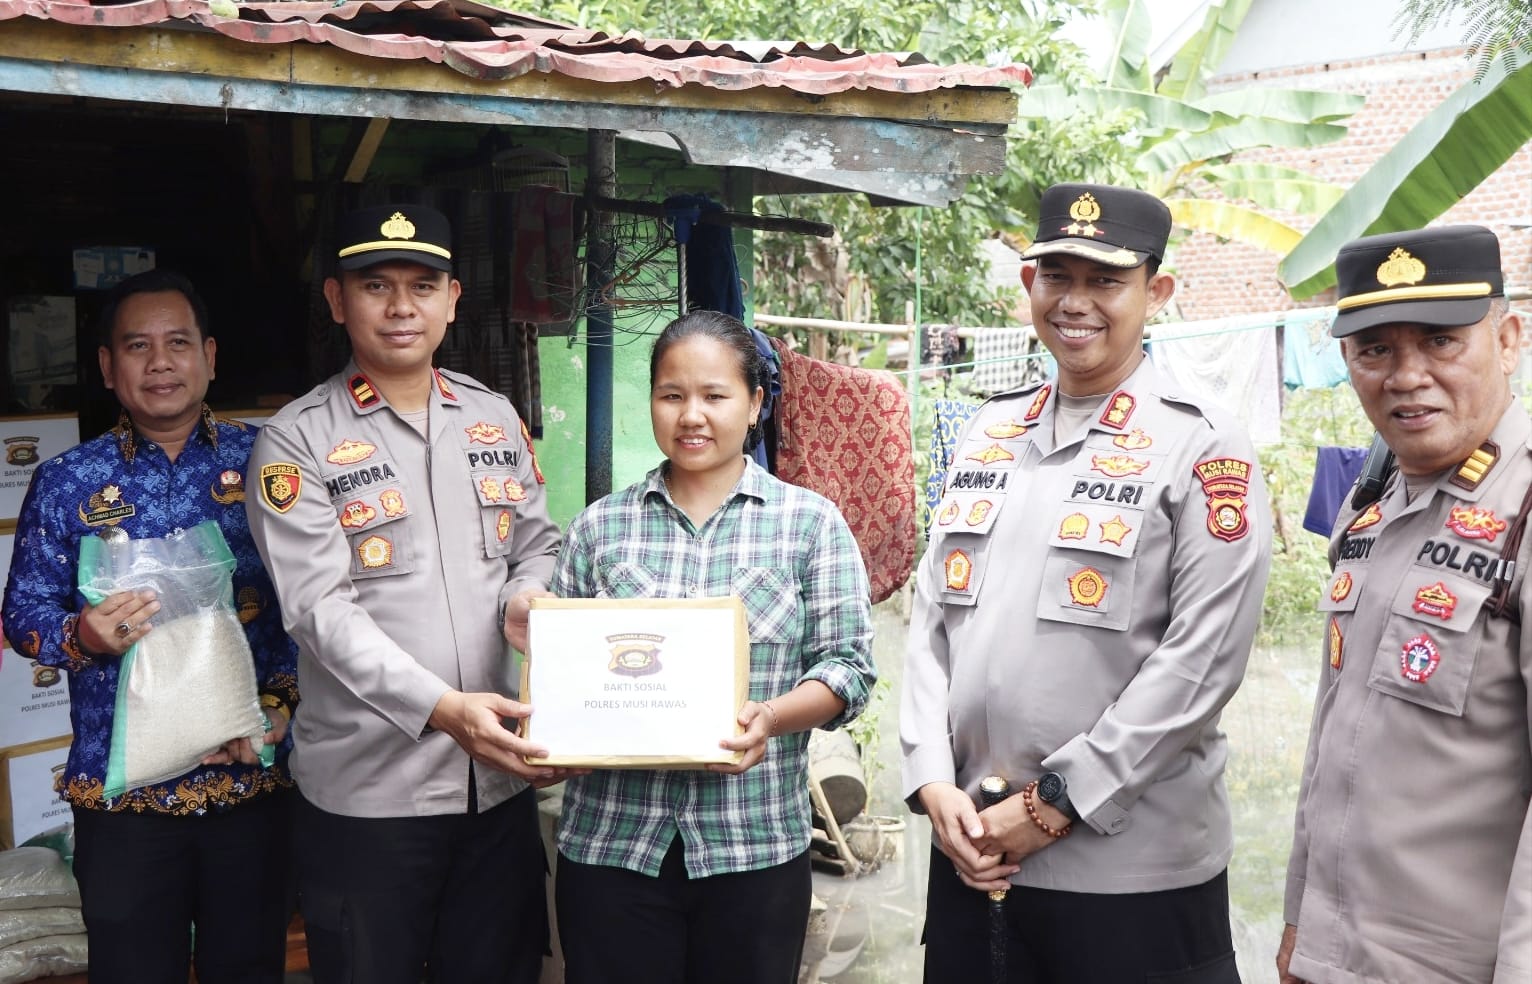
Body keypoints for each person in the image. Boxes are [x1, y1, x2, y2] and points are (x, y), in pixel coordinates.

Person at [901, 182, 1272, 982]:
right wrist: (932, 780)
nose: (1077, 302)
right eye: (1057, 276)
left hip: (1128, 873)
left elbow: (1201, 662)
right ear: (1030, 284)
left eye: (1105, 280)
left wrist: (1054, 806)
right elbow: (932, 621)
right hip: (973, 848)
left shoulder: (1202, 445)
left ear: (1156, 291)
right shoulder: (987, 433)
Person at [244, 203, 564, 984]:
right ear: (335, 300)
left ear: (453, 299)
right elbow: (319, 611)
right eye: (375, 285)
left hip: (497, 788)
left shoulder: (494, 418)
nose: (399, 307)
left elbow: (537, 544)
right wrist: (444, 708)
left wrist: (528, 596)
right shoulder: (296, 440)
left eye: (422, 286)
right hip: (368, 801)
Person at [549, 310, 877, 984]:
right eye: (672, 395)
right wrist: (559, 737)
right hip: (612, 847)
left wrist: (771, 717)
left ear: (755, 404)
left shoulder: (809, 525)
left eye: (714, 395)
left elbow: (848, 669)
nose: (691, 415)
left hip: (751, 848)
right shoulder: (599, 530)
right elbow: (563, 673)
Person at [2, 268, 298, 984]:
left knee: (249, 966)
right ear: (108, 367)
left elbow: (310, 605)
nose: (160, 362)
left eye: (178, 343)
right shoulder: (69, 479)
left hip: (247, 781)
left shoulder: (271, 462)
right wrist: (83, 637)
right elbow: (23, 614)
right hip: (123, 794)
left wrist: (280, 707)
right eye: (137, 346)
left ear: (210, 356)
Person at [1278, 225, 1531, 983]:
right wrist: (1299, 922)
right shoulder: (1374, 498)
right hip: (1335, 958)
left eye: (1441, 341)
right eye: (1375, 350)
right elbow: (1332, 741)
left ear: (1508, 338)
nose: (1406, 375)